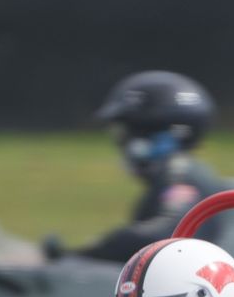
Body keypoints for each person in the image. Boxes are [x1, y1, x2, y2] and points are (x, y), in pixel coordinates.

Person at [85, 70, 225, 264]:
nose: (122, 144)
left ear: (149, 132)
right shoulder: (179, 175)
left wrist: (94, 252)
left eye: (126, 134)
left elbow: (167, 235)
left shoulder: (180, 175)